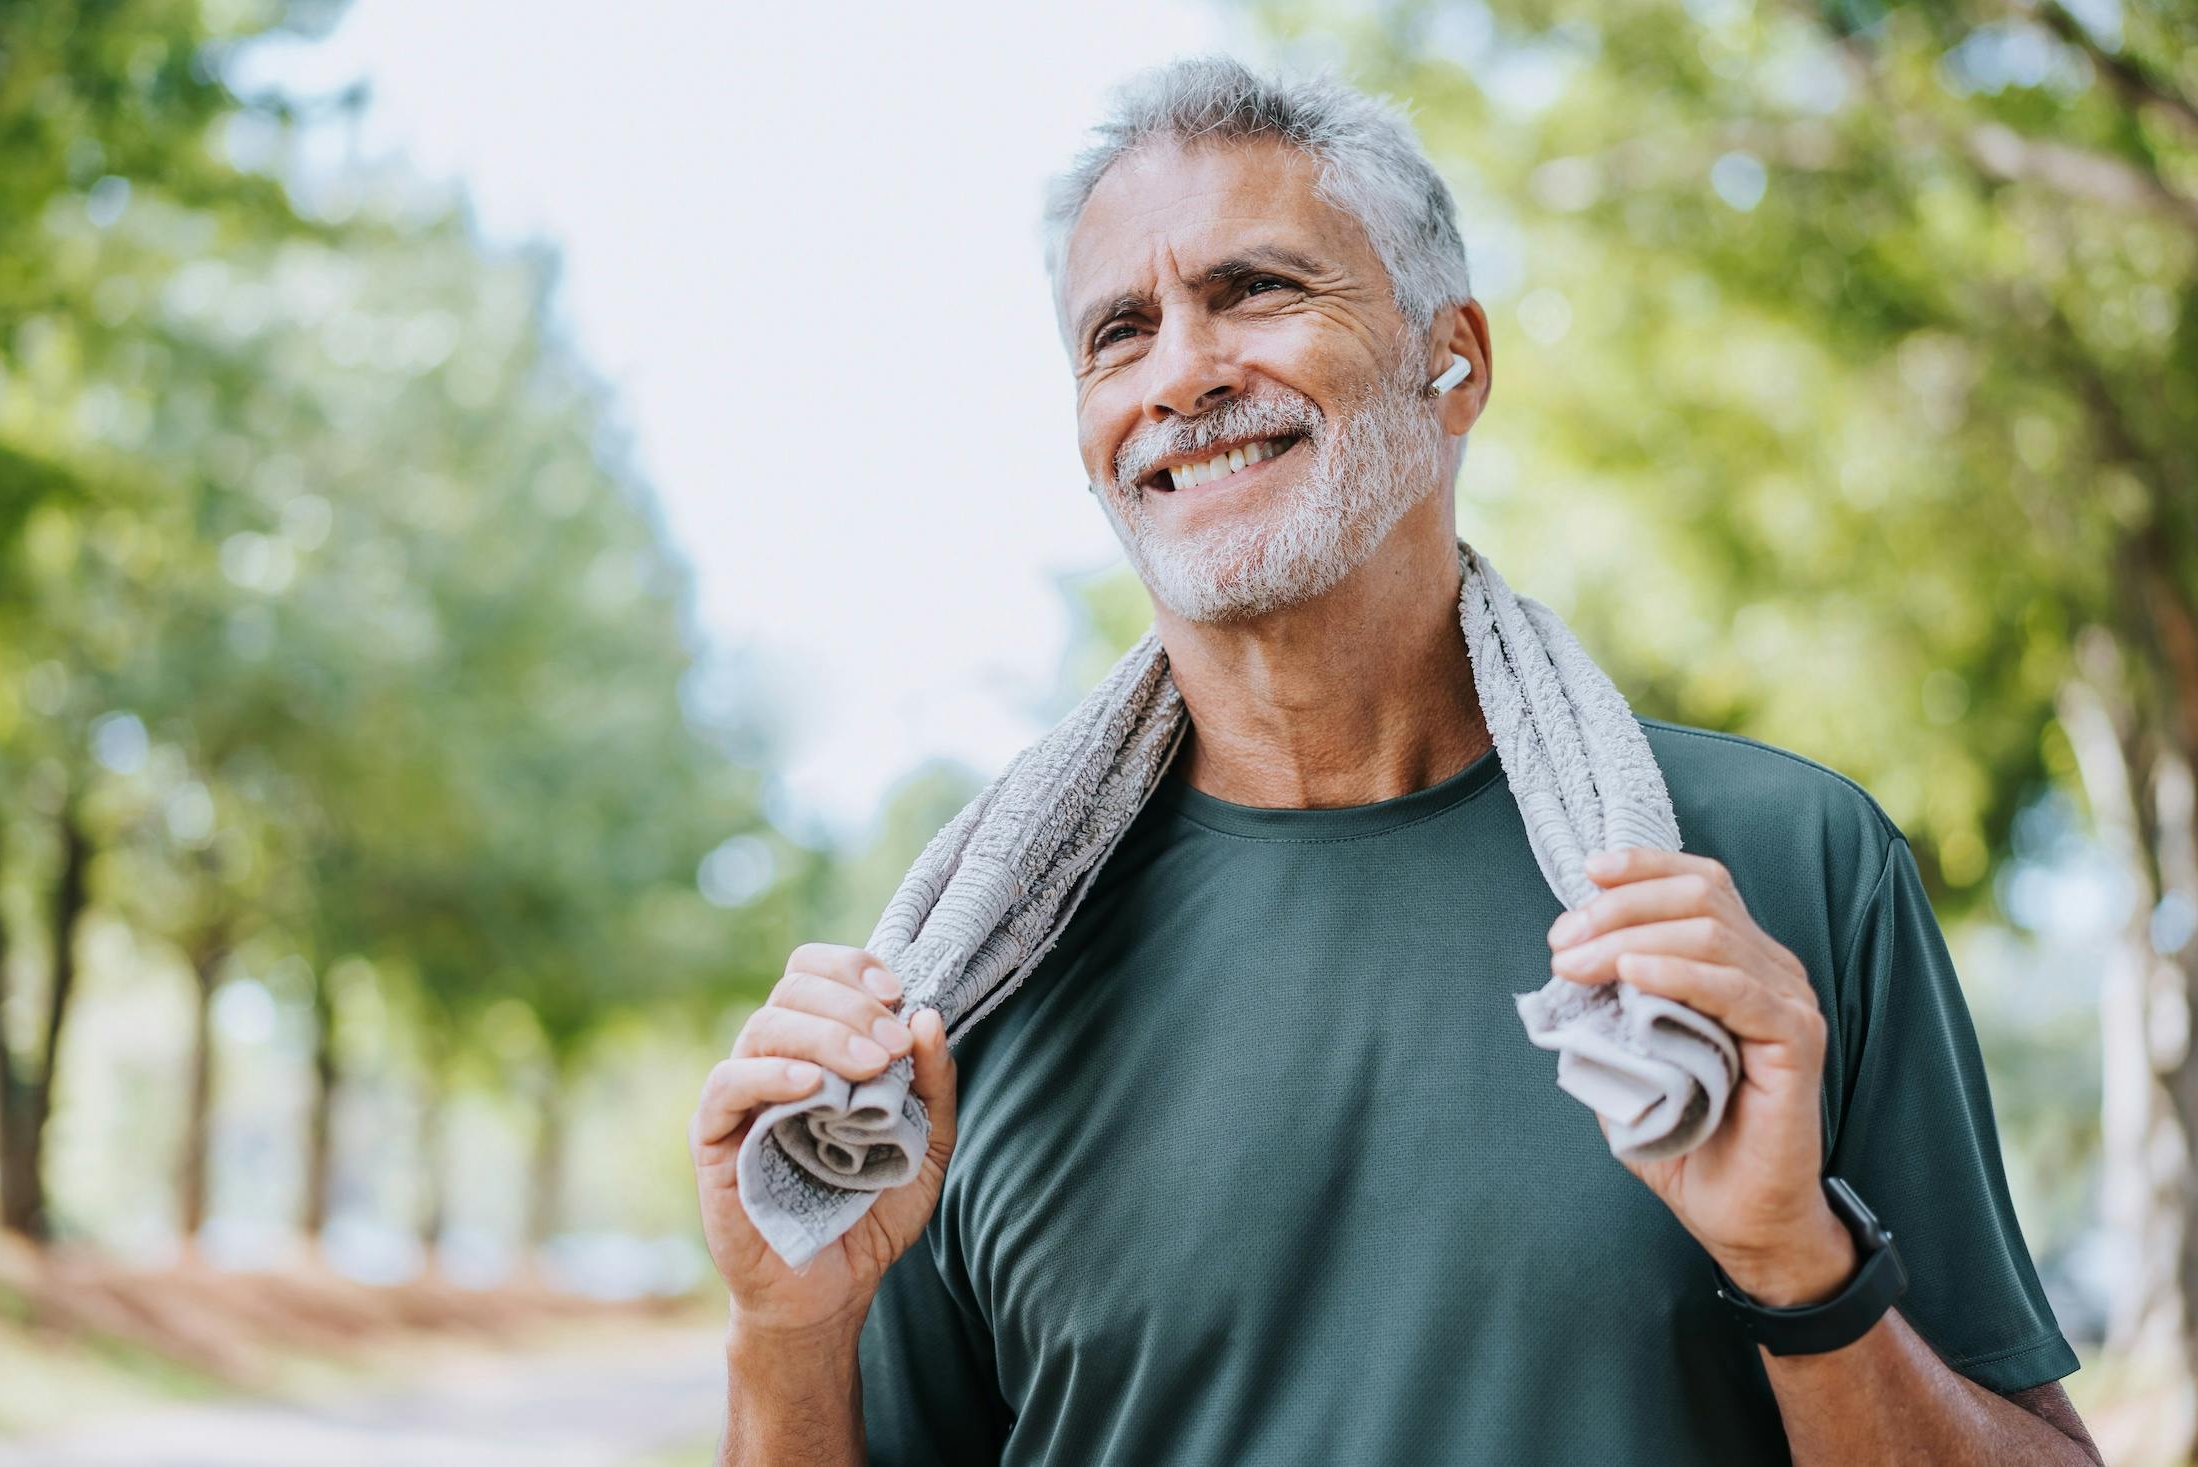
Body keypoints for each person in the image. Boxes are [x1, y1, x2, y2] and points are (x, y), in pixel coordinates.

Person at [689, 53, 2101, 1466]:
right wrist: (788, 1336)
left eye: (1255, 289)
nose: (1183, 371)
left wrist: (1802, 1259)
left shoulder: (1772, 874)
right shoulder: (964, 982)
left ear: (1456, 362)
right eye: (1121, 331)